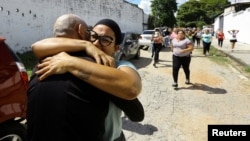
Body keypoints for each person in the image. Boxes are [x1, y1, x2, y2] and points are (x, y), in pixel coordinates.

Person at [28, 14, 143, 141]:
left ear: (116, 47)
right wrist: (84, 45)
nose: (96, 43)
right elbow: (36, 46)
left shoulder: (118, 66)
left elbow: (131, 88)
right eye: (93, 36)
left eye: (105, 39)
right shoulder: (57, 60)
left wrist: (70, 63)